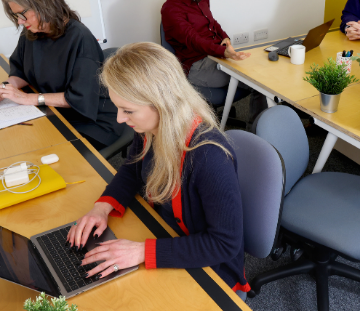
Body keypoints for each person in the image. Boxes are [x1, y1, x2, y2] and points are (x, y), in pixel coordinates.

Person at [66, 42, 250, 292]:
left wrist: (142, 251)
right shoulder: (152, 128)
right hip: (162, 233)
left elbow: (224, 244)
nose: (120, 119)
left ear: (162, 104)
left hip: (207, 267)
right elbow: (132, 168)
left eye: (128, 110)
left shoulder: (209, 157)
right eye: (118, 108)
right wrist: (102, 207)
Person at [0, 0, 121, 150]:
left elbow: (79, 99)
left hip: (90, 121)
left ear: (42, 5)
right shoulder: (31, 33)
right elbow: (21, 72)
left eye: (22, 14)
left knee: (39, 151)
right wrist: (4, 88)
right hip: (53, 110)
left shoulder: (80, 39)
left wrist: (30, 98)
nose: (20, 21)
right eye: (16, 16)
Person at [161, 0, 250, 87]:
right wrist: (223, 52)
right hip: (197, 65)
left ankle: (264, 110)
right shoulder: (170, 9)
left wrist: (225, 38)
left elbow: (212, 22)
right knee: (256, 81)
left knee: (260, 74)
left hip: (215, 54)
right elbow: (194, 40)